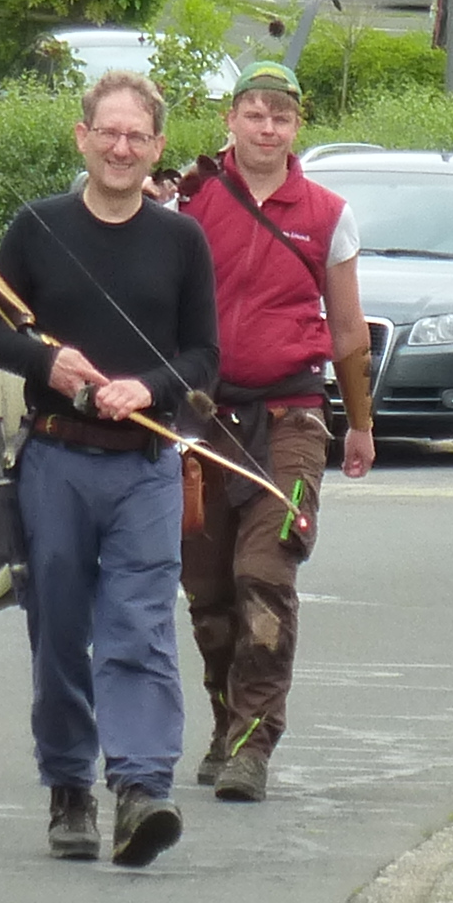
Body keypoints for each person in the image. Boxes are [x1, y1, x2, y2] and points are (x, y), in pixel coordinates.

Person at [0, 71, 220, 869]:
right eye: (107, 132)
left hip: (145, 465)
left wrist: (147, 388)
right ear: (81, 138)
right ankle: (69, 784)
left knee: (140, 627)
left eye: (136, 136)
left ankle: (142, 788)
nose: (120, 147)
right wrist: (49, 362)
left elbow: (203, 356)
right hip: (55, 461)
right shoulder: (37, 227)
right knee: (59, 630)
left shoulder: (181, 241)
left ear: (157, 147)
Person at [174, 60, 376, 800]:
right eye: (254, 114)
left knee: (264, 573)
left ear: (297, 126)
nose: (267, 128)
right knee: (207, 591)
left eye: (280, 116)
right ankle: (224, 719)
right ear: (230, 120)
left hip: (291, 417)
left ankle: (253, 744)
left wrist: (360, 424)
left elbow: (348, 330)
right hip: (200, 421)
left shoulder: (328, 213)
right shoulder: (190, 203)